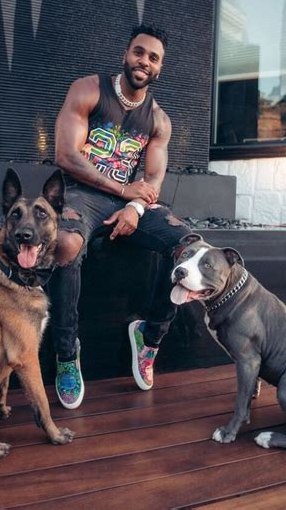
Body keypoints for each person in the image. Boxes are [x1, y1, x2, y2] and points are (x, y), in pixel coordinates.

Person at [51, 23, 190, 409]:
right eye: (139, 52)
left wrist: (134, 206)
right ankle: (66, 353)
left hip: (126, 202)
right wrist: (122, 190)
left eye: (153, 57)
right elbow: (65, 155)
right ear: (126, 54)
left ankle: (150, 336)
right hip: (82, 195)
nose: (144, 61)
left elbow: (153, 179)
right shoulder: (89, 90)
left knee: (187, 246)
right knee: (65, 244)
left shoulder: (158, 120)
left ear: (160, 67)